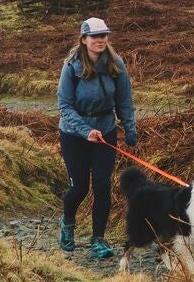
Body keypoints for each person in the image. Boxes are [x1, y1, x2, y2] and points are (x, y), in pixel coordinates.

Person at [56, 16, 136, 259]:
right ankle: (67, 224)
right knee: (79, 187)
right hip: (74, 133)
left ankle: (98, 239)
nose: (100, 40)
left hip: (105, 131)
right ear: (84, 39)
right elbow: (64, 106)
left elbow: (124, 101)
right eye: (95, 36)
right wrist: (84, 130)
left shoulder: (116, 64)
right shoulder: (71, 67)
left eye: (104, 36)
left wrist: (130, 130)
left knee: (102, 185)